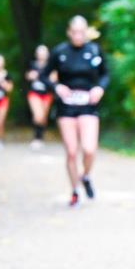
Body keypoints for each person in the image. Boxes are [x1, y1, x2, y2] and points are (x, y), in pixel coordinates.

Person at [44, 16, 110, 207]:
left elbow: (105, 74)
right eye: (75, 31)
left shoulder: (94, 50)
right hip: (66, 107)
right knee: (72, 151)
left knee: (89, 149)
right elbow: (44, 75)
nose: (78, 35)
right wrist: (56, 87)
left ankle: (86, 176)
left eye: (82, 31)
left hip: (88, 105)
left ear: (86, 31)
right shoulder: (60, 52)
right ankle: (74, 191)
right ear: (69, 32)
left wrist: (100, 88)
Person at [25, 44, 54, 149]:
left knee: (43, 117)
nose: (42, 55)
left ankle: (40, 137)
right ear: (36, 54)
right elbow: (27, 76)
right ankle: (36, 138)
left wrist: (49, 78)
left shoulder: (50, 65)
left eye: (44, 53)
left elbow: (55, 78)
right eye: (40, 53)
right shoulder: (32, 64)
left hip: (46, 94)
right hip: (34, 93)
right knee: (38, 115)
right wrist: (31, 75)